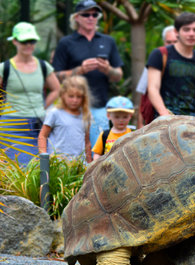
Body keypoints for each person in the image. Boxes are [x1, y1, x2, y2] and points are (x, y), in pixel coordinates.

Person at [52, 0, 123, 147]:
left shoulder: (108, 41)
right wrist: (80, 70)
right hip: (72, 108)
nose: (91, 18)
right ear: (77, 18)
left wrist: (107, 69)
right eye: (86, 14)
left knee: (98, 152)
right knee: (72, 150)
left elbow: (119, 76)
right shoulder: (66, 42)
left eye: (94, 14)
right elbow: (55, 77)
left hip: (100, 107)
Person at [0, 22, 60, 165]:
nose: (28, 45)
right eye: (24, 41)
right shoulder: (5, 67)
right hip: (12, 124)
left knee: (38, 167)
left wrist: (43, 107)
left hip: (37, 124)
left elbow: (57, 89)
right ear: (15, 41)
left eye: (31, 41)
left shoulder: (43, 66)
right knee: (15, 168)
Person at [147, 12, 195, 117]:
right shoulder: (160, 54)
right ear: (177, 32)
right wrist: (165, 115)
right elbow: (153, 89)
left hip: (194, 118)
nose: (191, 34)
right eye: (186, 29)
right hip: (166, 119)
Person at [38, 76, 92, 162]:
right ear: (63, 95)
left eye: (79, 97)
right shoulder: (55, 113)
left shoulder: (85, 116)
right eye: (71, 96)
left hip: (79, 165)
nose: (75, 100)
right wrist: (44, 158)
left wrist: (89, 163)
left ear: (84, 98)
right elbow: (43, 135)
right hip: (58, 164)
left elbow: (87, 142)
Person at [136, 25, 177, 128]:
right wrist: (141, 124)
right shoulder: (156, 60)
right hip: (156, 120)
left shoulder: (190, 61)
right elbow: (143, 95)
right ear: (164, 42)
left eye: (175, 42)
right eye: (169, 42)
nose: (171, 45)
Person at [92, 96, 134, 160]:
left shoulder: (133, 134)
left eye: (125, 117)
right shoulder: (104, 135)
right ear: (108, 116)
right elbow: (97, 153)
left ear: (130, 116)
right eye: (117, 117)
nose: (121, 120)